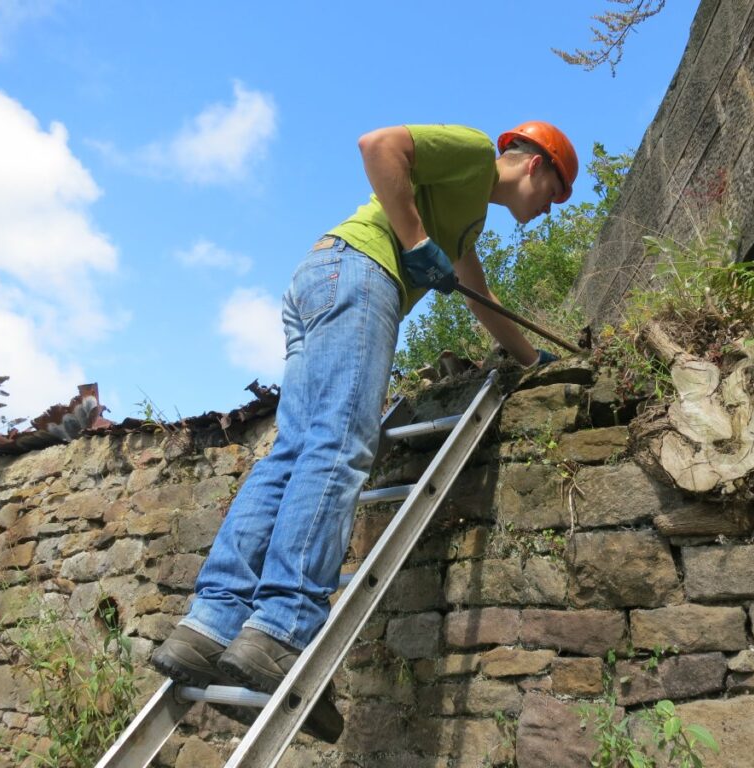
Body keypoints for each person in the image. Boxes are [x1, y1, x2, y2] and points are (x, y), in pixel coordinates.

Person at [150, 121, 578, 741]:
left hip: (320, 276)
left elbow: (479, 298)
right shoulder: (473, 152)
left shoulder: (464, 221)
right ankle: (281, 626)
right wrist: (411, 239)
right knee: (339, 448)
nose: (545, 212)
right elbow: (379, 146)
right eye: (554, 196)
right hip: (358, 273)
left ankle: (210, 625)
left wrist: (535, 361)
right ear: (536, 165)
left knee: (292, 452)